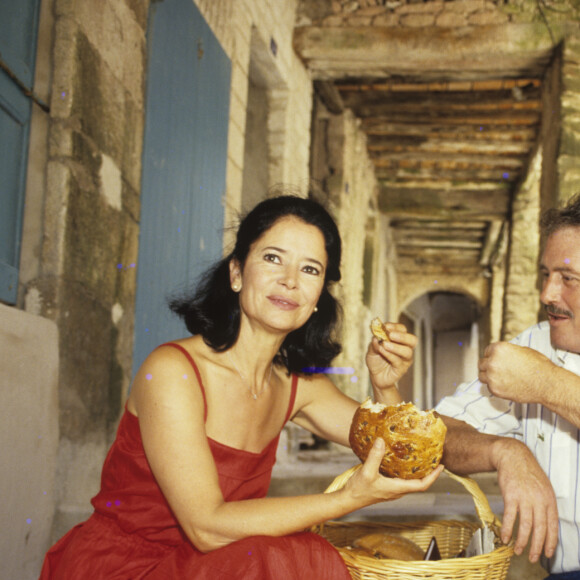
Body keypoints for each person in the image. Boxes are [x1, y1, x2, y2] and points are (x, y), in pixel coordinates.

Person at [40, 194, 443, 579]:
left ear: (318, 296)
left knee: (294, 556)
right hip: (127, 567)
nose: (289, 281)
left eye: (310, 269)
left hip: (220, 564)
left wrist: (385, 383)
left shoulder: (296, 386)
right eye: (273, 258)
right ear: (236, 273)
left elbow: (391, 454)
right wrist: (346, 499)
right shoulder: (172, 371)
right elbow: (207, 527)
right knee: (283, 557)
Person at [437, 192, 580, 579]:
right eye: (545, 276)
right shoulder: (533, 347)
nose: (547, 295)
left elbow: (543, 383)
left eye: (568, 279)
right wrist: (505, 450)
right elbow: (438, 432)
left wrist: (547, 385)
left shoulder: (537, 369)